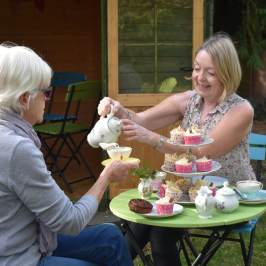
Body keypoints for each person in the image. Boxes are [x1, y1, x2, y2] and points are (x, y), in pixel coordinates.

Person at [98, 33, 256, 265]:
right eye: (196, 69)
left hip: (228, 198)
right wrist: (119, 109)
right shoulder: (189, 100)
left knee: (160, 234)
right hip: (188, 194)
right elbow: (141, 120)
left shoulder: (241, 110)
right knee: (141, 223)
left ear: (227, 73)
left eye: (210, 72)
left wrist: (153, 140)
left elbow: (202, 153)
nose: (200, 77)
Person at [0, 43, 139, 266]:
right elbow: (70, 221)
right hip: (16, 258)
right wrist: (106, 177)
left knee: (110, 238)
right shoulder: (16, 148)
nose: (48, 99)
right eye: (46, 92)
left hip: (25, 239)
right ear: (24, 98)